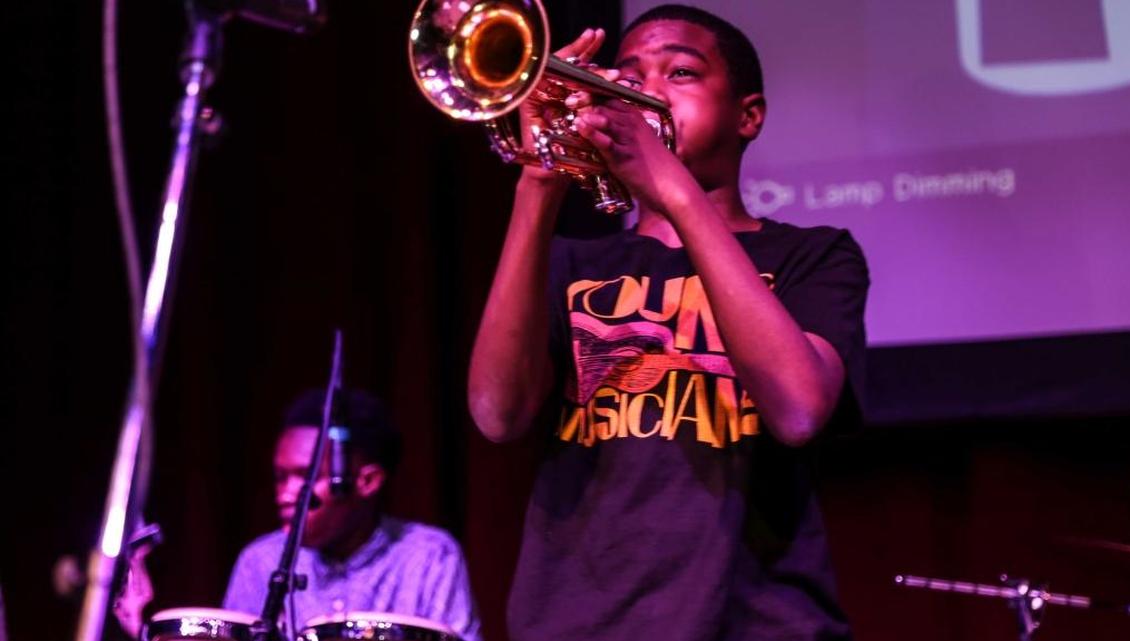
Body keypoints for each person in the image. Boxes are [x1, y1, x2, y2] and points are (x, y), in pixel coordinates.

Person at [467, 5, 868, 641]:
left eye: (679, 72)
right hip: (577, 622)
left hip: (755, 623)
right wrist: (537, 182)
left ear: (748, 115)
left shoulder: (812, 255)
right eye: (627, 74)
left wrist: (676, 190)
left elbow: (798, 410)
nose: (642, 91)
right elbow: (497, 413)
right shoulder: (574, 262)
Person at [223, 389, 482, 641]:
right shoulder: (259, 562)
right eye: (281, 478)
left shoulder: (431, 556)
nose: (286, 495)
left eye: (306, 477)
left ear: (367, 481)